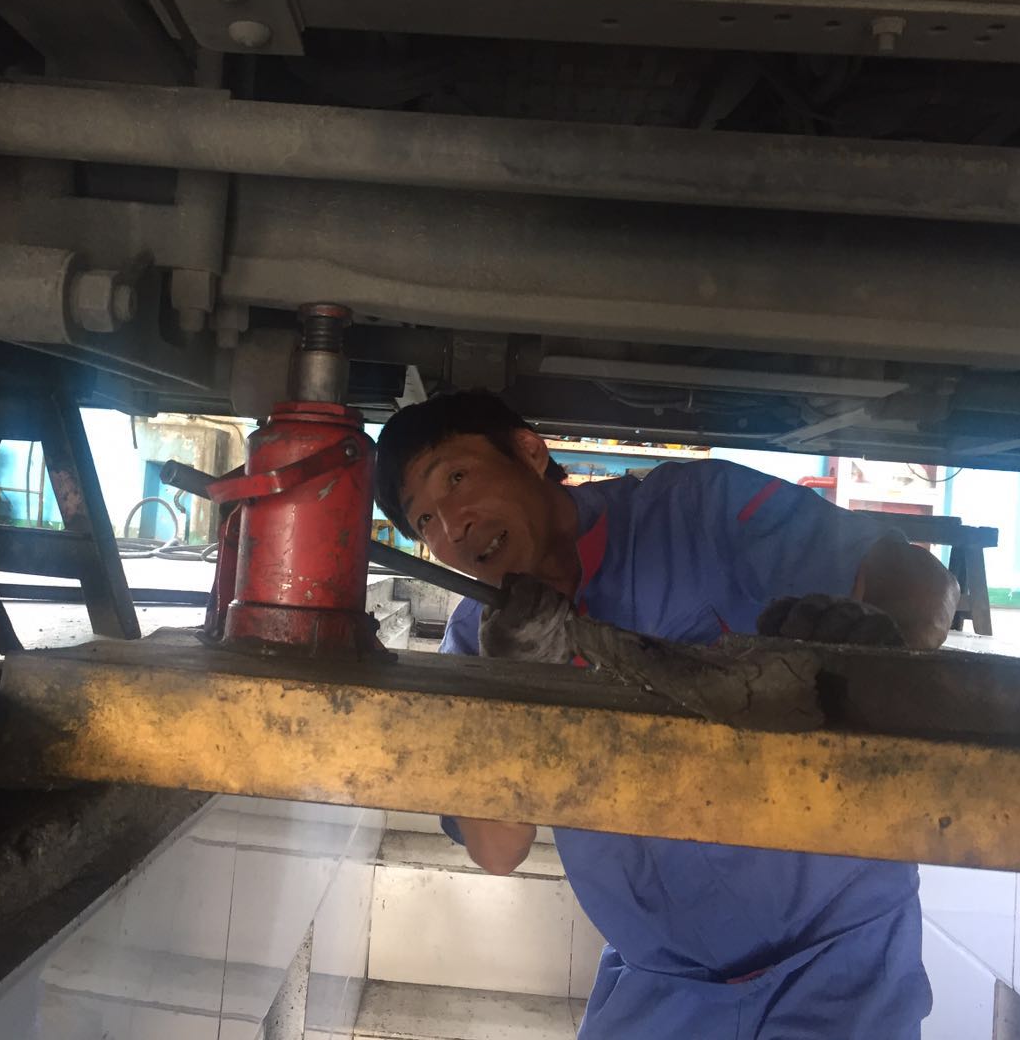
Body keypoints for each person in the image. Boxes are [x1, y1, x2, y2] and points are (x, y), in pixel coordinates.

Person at [373, 390, 959, 1040]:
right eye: (423, 520)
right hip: (661, 983)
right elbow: (496, 851)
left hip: (841, 957)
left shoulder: (696, 509)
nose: (451, 525)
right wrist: (517, 698)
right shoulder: (474, 642)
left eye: (456, 479)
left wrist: (872, 644)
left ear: (530, 452)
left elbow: (925, 587)